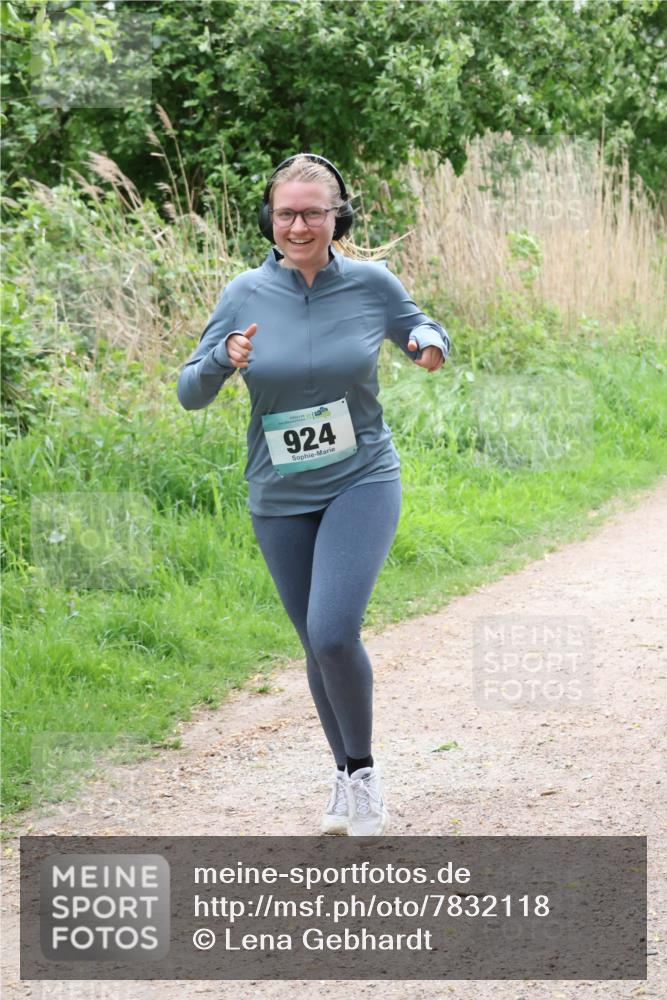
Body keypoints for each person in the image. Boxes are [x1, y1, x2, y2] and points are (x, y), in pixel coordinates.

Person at [177, 153, 450, 836]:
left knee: (333, 630)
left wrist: (424, 341)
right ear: (269, 218)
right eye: (285, 213)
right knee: (313, 643)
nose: (298, 225)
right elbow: (189, 392)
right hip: (278, 491)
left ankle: (363, 774)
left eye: (312, 212)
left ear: (337, 216)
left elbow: (419, 325)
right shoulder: (243, 293)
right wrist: (222, 359)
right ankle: (343, 778)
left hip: (361, 477)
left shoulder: (369, 283)